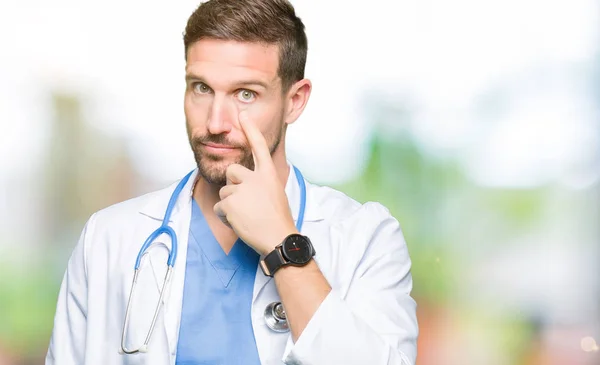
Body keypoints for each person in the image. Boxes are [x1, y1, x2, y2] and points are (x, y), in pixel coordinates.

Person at [45, 0, 419, 364]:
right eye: (202, 88)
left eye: (245, 94)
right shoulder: (109, 238)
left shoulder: (366, 239)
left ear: (295, 100)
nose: (215, 122)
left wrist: (283, 245)